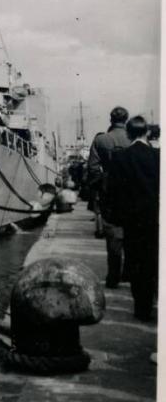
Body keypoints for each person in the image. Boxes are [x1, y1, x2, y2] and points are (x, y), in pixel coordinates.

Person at [107, 116, 160, 320]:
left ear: (128, 134)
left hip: (132, 221)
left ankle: (142, 309)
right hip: (155, 218)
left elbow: (114, 191)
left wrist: (116, 217)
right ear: (146, 132)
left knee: (137, 264)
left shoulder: (120, 158)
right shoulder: (158, 156)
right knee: (155, 262)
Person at [87, 106, 130, 287]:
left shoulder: (101, 140)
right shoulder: (133, 140)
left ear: (110, 119)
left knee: (113, 234)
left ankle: (113, 276)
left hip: (110, 193)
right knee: (133, 234)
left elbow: (93, 169)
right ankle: (128, 273)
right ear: (126, 119)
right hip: (134, 193)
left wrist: (100, 187)